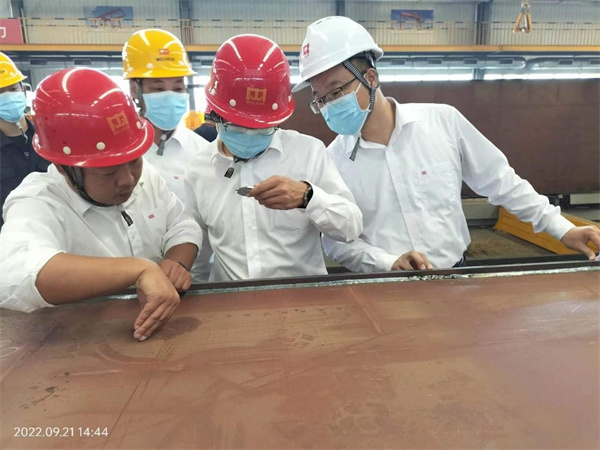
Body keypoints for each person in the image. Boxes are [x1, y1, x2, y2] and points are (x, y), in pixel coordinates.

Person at [293, 16, 600, 272]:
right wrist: (387, 262)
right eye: (320, 99)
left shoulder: (442, 123)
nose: (329, 105)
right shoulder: (332, 161)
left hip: (457, 278)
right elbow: (336, 240)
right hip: (383, 289)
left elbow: (503, 182)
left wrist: (562, 228)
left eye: (336, 91)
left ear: (370, 78)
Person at [0, 68, 202, 342]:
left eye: (134, 161)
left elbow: (181, 225)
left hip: (158, 331)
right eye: (108, 172)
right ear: (64, 168)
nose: (127, 180)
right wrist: (139, 269)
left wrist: (175, 263)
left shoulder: (147, 176)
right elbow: (13, 276)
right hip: (82, 341)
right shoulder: (38, 201)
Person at [184, 34, 364, 281]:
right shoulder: (199, 170)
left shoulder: (308, 153)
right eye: (238, 125)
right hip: (231, 299)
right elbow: (197, 255)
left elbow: (351, 227)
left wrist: (308, 197)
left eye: (262, 127)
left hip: (302, 297)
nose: (250, 133)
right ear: (215, 113)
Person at [122, 29, 208, 201]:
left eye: (178, 88)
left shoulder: (202, 151)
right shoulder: (120, 150)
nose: (170, 97)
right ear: (135, 90)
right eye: (158, 89)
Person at [0, 52, 50, 228]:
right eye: (0, 92)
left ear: (23, 90)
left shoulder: (51, 139)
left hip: (57, 233)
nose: (7, 96)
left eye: (12, 89)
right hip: (8, 239)